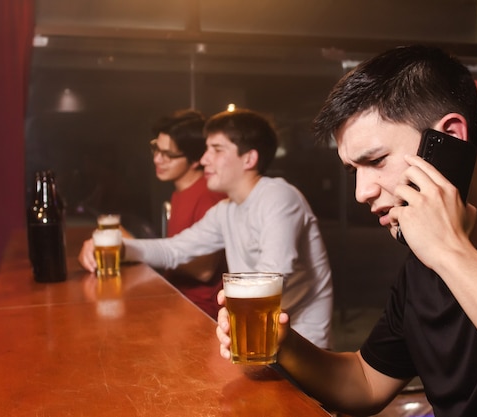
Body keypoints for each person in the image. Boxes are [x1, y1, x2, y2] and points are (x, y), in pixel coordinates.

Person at [216, 45, 477, 416]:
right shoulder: (420, 262)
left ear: (449, 137)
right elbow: (366, 381)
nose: (362, 192)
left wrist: (451, 254)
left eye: (375, 160)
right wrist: (285, 347)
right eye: (353, 171)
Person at [79, 108, 334, 349]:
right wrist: (118, 246)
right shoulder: (227, 210)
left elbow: (274, 273)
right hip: (255, 338)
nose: (204, 159)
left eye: (216, 149)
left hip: (301, 346)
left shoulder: (278, 196)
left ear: (249, 158)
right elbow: (174, 249)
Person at [150, 109, 227, 317]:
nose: (158, 159)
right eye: (156, 149)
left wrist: (143, 252)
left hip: (199, 311)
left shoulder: (208, 195)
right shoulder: (180, 192)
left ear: (195, 160)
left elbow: (204, 271)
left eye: (169, 155)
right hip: (175, 300)